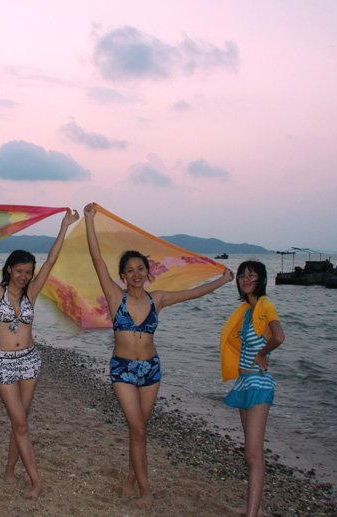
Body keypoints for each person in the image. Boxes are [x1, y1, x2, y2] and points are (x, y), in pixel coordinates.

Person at [83, 203, 234, 508]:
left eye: (141, 269)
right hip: (123, 370)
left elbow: (195, 292)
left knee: (139, 432)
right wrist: (89, 220)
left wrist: (224, 279)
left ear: (147, 272)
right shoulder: (115, 297)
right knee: (138, 429)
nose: (136, 274)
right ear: (122, 275)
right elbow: (96, 258)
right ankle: (146, 490)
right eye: (130, 270)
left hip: (151, 370)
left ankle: (130, 480)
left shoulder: (158, 299)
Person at [0, 205, 79, 500]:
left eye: (28, 272)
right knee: (19, 422)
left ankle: (10, 468)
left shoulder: (32, 294)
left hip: (30, 361)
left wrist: (64, 227)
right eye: (19, 270)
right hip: (4, 364)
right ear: (9, 269)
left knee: (20, 421)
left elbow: (51, 261)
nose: (24, 275)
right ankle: (36, 481)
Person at [220, 261, 285, 517]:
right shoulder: (248, 311)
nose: (246, 279)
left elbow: (279, 336)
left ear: (263, 280)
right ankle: (253, 508)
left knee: (252, 454)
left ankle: (253, 514)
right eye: (242, 276)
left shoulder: (266, 306)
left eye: (252, 275)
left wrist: (263, 353)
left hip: (258, 383)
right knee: (251, 452)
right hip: (244, 383)